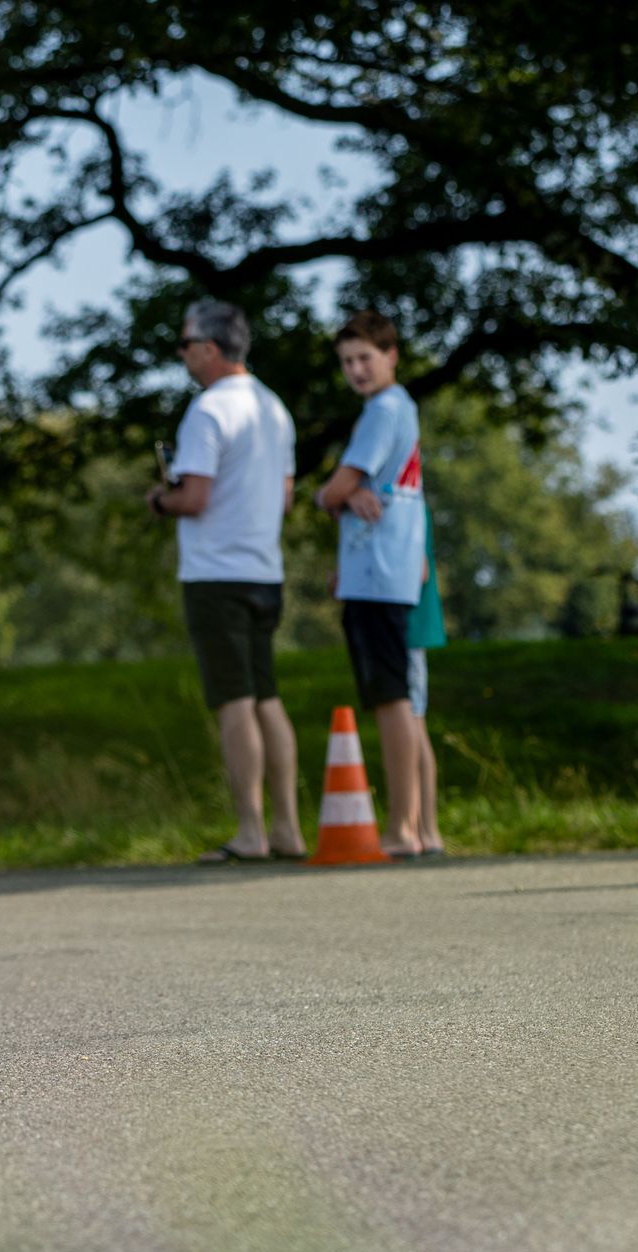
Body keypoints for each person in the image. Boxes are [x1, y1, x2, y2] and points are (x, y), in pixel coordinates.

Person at [146, 300, 305, 865]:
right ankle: (288, 829)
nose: (183, 355)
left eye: (186, 345)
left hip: (216, 574)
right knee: (268, 698)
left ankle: (250, 833)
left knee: (233, 701)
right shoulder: (275, 409)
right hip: (266, 569)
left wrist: (160, 500)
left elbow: (195, 496)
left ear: (210, 349)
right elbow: (285, 497)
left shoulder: (208, 410)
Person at [316, 309, 427, 857]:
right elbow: (348, 491)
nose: (356, 370)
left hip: (379, 574)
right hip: (382, 569)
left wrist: (331, 494)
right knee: (396, 697)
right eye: (346, 362)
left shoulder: (383, 410)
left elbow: (336, 488)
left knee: (391, 699)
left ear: (391, 355)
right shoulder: (395, 409)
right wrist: (343, 495)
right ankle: (417, 827)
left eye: (364, 358)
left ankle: (402, 827)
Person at [406, 502, 446, 859]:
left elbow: (416, 568)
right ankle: (421, 829)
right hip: (407, 623)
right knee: (413, 721)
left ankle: (425, 829)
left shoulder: (407, 500)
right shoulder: (411, 498)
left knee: (413, 721)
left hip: (408, 623)